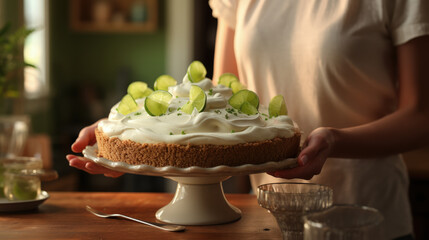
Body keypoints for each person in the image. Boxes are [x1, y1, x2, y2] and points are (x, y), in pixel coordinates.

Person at [67, 0, 429, 239]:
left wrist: (334, 140)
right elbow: (222, 106)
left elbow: (421, 116)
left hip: (364, 217)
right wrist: (130, 134)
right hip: (266, 219)